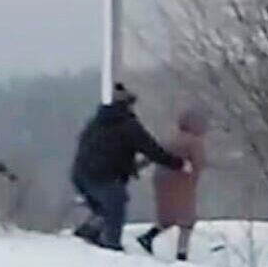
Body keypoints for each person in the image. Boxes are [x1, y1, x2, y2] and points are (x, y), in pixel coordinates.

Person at [70, 84, 186, 251]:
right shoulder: (128, 125)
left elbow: (99, 149)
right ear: (128, 105)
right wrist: (179, 164)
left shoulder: (95, 121)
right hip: (104, 177)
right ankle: (112, 246)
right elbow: (152, 150)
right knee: (116, 207)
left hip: (80, 175)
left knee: (104, 209)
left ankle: (89, 234)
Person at [137, 109, 209, 261]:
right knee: (187, 219)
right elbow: (199, 163)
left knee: (167, 215)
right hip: (182, 182)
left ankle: (148, 237)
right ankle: (181, 253)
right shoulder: (194, 142)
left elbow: (154, 154)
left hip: (161, 180)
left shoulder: (170, 138)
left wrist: (136, 167)